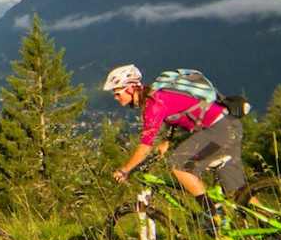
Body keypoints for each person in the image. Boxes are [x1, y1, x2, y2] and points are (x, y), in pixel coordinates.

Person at [103, 64, 248, 228]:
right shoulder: (159, 96)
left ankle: (213, 215)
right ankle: (274, 230)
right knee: (238, 192)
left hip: (219, 130)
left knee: (179, 166)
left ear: (130, 88)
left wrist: (124, 170)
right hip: (229, 125)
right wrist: (167, 140)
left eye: (117, 93)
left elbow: (145, 147)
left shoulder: (153, 104)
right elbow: (178, 113)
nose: (116, 97)